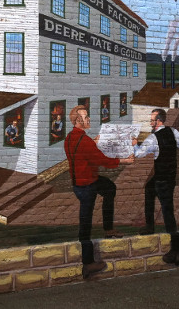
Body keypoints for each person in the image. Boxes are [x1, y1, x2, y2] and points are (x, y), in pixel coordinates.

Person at [65, 105, 133, 279]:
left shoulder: (70, 138)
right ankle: (88, 264)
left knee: (109, 188)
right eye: (85, 117)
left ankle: (108, 229)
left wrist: (93, 144)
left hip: (82, 181)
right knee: (85, 223)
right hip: (86, 186)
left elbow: (83, 154)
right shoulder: (85, 142)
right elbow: (102, 160)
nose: (88, 119)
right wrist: (124, 160)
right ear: (78, 121)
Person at [132, 108, 179, 266]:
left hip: (161, 180)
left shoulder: (153, 138)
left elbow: (138, 154)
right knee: (149, 189)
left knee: (168, 212)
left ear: (158, 121)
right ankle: (149, 226)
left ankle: (176, 252)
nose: (150, 123)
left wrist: (134, 144)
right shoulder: (172, 132)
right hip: (169, 178)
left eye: (152, 120)